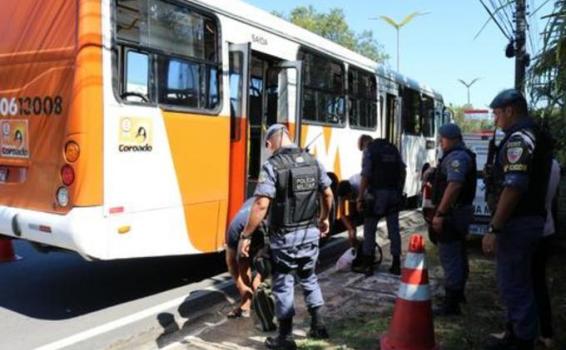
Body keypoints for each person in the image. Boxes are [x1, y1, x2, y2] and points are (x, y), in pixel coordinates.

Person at [239, 124, 334, 350]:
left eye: (267, 144)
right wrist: (325, 218)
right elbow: (328, 193)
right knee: (309, 277)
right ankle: (318, 325)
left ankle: (285, 338)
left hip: (285, 238)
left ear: (272, 141)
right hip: (310, 235)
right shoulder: (313, 162)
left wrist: (246, 235)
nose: (268, 149)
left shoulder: (272, 166)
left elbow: (261, 204)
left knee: (284, 283)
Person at [482, 89, 553, 350]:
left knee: (514, 283)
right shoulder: (531, 135)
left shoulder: (518, 140)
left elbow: (513, 187)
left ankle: (522, 341)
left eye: (497, 113)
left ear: (510, 110)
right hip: (527, 221)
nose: (495, 119)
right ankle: (517, 333)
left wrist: (494, 228)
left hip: (518, 223)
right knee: (518, 280)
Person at [430, 123, 477, 316]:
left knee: (450, 256)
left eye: (441, 139)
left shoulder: (457, 157)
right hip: (459, 213)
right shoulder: (461, 155)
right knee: (458, 254)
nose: (440, 143)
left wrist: (440, 214)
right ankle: (458, 294)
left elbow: (454, 185)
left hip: (452, 215)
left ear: (449, 139)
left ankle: (451, 304)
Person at [355, 138, 406, 276]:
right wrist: (399, 190)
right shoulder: (393, 149)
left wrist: (360, 197)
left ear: (365, 143)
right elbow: (403, 171)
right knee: (394, 229)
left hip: (376, 196)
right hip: (393, 194)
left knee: (369, 229)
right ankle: (396, 264)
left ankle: (368, 265)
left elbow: (366, 175)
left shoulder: (369, 151)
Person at [532, 157, 560, 348]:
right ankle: (546, 332)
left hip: (531, 230)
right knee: (539, 283)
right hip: (547, 227)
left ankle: (520, 330)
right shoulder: (554, 164)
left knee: (524, 283)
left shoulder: (533, 163)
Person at [224, 198, 263, 318]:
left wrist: (260, 278)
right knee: (242, 263)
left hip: (265, 230)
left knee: (262, 275)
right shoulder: (233, 231)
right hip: (245, 231)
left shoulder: (267, 225)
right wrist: (240, 284)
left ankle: (265, 305)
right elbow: (231, 262)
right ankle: (246, 304)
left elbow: (273, 256)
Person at [337, 174, 362, 247]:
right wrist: (350, 228)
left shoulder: (359, 186)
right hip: (354, 196)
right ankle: (353, 242)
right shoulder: (341, 194)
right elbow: (342, 213)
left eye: (347, 198)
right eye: (345, 199)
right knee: (351, 218)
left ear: (350, 192)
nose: (347, 200)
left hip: (363, 195)